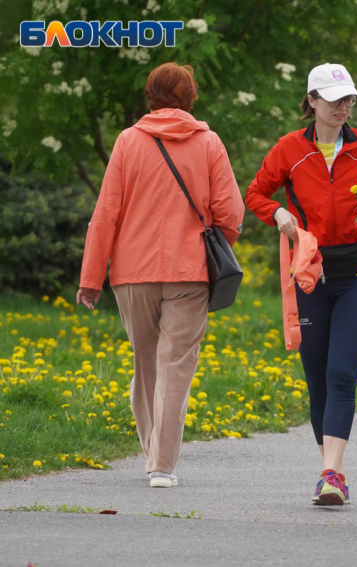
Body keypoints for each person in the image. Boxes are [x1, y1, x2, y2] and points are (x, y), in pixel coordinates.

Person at [77, 62, 244, 488]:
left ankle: (152, 449)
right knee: (176, 366)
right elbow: (231, 213)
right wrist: (213, 246)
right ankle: (161, 465)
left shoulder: (128, 142)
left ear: (149, 96)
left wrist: (91, 278)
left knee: (146, 363)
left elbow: (106, 213)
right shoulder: (208, 142)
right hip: (190, 274)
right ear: (190, 97)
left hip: (132, 273)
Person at [244, 63, 357, 506]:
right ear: (311, 100)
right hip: (311, 274)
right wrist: (277, 214)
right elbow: (255, 192)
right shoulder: (289, 149)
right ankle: (330, 470)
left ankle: (332, 474)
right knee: (316, 378)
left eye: (349, 100)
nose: (343, 108)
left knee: (341, 375)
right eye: (334, 100)